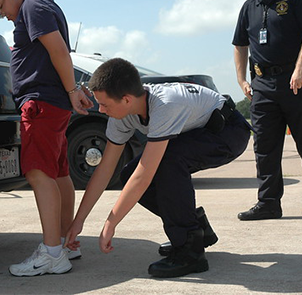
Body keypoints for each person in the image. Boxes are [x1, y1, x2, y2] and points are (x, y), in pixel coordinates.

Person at [65, 58, 251, 278]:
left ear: (126, 99)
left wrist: (110, 223)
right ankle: (196, 229)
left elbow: (144, 175)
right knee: (127, 174)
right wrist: (78, 223)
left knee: (166, 163)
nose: (102, 111)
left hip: (229, 132)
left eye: (105, 105)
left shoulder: (164, 105)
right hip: (197, 134)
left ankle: (190, 252)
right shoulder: (122, 114)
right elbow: (105, 169)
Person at [0, 0, 93, 277]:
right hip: (51, 102)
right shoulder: (41, 5)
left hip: (42, 104)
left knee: (38, 173)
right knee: (57, 173)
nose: (2, 15)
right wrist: (71, 90)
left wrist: (72, 90)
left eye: (0, 6)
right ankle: (67, 243)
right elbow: (54, 54)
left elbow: (58, 50)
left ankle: (52, 253)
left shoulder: (32, 5)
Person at [233, 0, 302, 220]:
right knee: (264, 147)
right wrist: (242, 79)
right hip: (262, 85)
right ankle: (268, 203)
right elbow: (239, 44)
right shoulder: (248, 7)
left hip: (297, 82)